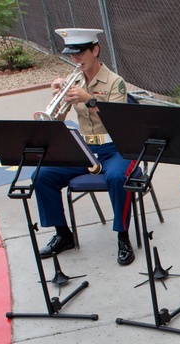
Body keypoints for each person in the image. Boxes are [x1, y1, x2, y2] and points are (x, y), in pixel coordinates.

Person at [35, 28, 135, 265]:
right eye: (72, 54)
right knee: (43, 175)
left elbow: (118, 121)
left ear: (95, 50)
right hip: (85, 148)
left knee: (117, 177)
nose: (76, 58)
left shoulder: (115, 82)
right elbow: (57, 122)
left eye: (80, 52)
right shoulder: (76, 81)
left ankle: (123, 236)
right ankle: (63, 234)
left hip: (115, 148)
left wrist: (88, 100)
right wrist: (58, 99)